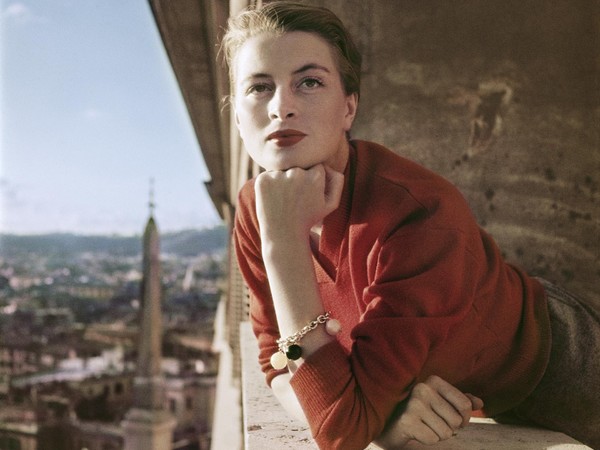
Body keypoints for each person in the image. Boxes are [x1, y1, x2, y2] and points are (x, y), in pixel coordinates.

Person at [222, 2, 600, 449]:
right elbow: (276, 365)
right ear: (238, 118)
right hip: (452, 385)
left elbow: (339, 426)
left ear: (348, 107)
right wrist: (382, 417)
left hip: (554, 366)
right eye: (259, 87)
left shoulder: (419, 214)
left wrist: (284, 248)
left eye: (309, 82)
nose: (281, 107)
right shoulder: (255, 207)